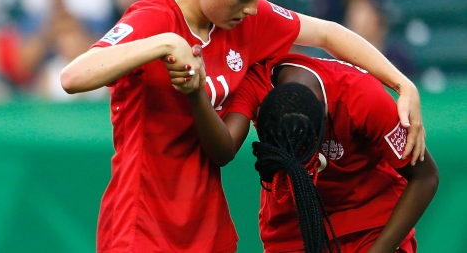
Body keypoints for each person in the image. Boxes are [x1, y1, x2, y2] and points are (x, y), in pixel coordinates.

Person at [60, 0, 425, 252]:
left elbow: (328, 34)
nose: (253, 7)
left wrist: (402, 84)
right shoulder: (154, 19)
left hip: (206, 219)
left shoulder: (242, 19)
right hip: (144, 217)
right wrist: (166, 43)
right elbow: (74, 76)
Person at [184, 53, 437, 252]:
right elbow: (223, 151)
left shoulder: (364, 97)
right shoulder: (254, 84)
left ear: (325, 111)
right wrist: (196, 94)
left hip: (370, 227)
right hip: (293, 232)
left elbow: (425, 177)